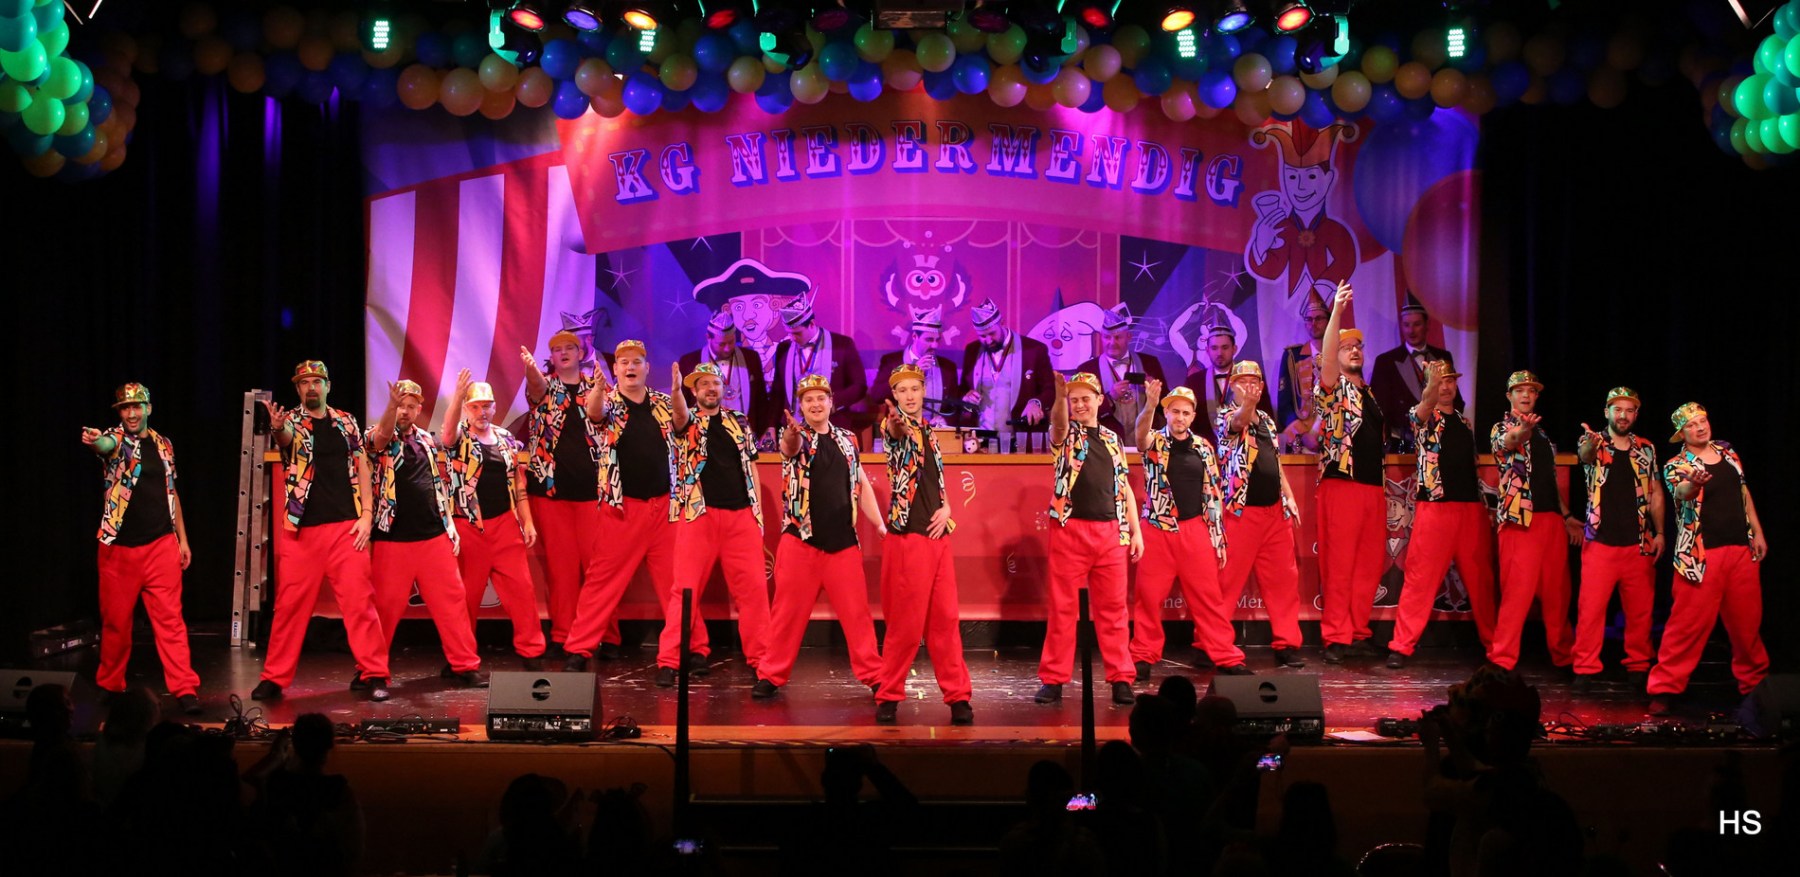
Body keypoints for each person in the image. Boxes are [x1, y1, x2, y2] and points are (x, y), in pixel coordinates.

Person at [254, 361, 391, 702]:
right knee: (289, 607)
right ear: (298, 389)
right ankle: (274, 678)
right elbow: (286, 440)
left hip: (346, 528)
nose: (311, 387)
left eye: (317, 381)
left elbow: (363, 466)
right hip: (303, 531)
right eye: (304, 383)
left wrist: (367, 515)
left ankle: (374, 673)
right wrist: (277, 428)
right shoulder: (291, 422)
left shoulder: (346, 421)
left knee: (360, 604)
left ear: (328, 385)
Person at [562, 341, 696, 673]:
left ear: (647, 368)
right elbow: (594, 414)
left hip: (665, 508)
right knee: (601, 581)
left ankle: (693, 647)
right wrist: (597, 388)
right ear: (616, 370)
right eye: (624, 362)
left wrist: (677, 392)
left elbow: (683, 423)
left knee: (678, 582)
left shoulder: (664, 403)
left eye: (636, 362)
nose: (630, 367)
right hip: (622, 510)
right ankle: (580, 648)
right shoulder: (608, 403)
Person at [756, 375, 886, 699]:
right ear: (800, 406)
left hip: (843, 544)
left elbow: (860, 484)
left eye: (820, 398)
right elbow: (790, 447)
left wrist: (880, 525)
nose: (815, 404)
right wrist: (790, 433)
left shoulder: (847, 439)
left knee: (858, 616)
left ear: (831, 402)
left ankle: (874, 676)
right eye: (808, 399)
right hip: (801, 543)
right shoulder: (796, 436)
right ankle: (771, 675)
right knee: (786, 616)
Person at [80, 383, 202, 715]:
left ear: (148, 408)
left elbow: (172, 493)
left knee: (171, 622)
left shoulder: (164, 445)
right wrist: (96, 440)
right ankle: (110, 684)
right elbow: (104, 445)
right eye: (125, 408)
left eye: (136, 407)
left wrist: (182, 539)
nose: (131, 413)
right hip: (119, 550)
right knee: (116, 623)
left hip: (161, 545)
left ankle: (185, 688)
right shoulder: (116, 440)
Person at [655, 361, 772, 687]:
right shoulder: (687, 420)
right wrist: (676, 391)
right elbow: (679, 416)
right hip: (699, 514)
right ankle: (669, 660)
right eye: (703, 384)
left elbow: (751, 469)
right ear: (694, 391)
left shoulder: (739, 421)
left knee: (754, 592)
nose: (710, 388)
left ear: (723, 388)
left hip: (741, 516)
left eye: (715, 383)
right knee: (685, 590)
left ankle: (763, 661)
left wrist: (758, 515)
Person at [1648, 403, 1770, 715]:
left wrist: (1757, 532)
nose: (1700, 427)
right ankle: (1664, 688)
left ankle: (1755, 686)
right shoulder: (1677, 464)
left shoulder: (1728, 452)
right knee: (1686, 626)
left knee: (1747, 625)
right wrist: (1695, 483)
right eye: (1691, 425)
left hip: (1740, 550)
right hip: (1699, 556)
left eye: (1702, 421)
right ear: (1682, 434)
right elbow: (1682, 493)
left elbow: (1744, 493)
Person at [364, 379, 486, 688]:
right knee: (384, 608)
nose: (404, 411)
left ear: (419, 409)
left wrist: (449, 524)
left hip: (433, 536)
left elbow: (437, 484)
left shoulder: (427, 441)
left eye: (410, 406)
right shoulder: (376, 436)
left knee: (452, 603)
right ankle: (372, 673)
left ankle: (463, 665)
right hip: (393, 538)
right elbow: (381, 437)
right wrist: (391, 408)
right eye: (400, 406)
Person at [1038, 371, 1146, 706]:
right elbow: (1058, 423)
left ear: (1100, 400)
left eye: (1086, 398)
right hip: (1070, 530)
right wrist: (1060, 398)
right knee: (1063, 609)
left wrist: (1135, 530)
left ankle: (1121, 678)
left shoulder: (1113, 439)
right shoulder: (1066, 434)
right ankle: (1054, 679)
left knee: (1114, 610)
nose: (1080, 405)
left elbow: (1123, 487)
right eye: (1075, 400)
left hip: (1110, 533)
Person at [874, 364, 973, 725]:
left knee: (945, 621)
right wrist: (895, 422)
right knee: (906, 624)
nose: (910, 396)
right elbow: (896, 432)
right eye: (903, 391)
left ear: (923, 390)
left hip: (937, 537)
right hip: (910, 536)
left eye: (915, 389)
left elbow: (934, 480)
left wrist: (947, 507)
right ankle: (888, 695)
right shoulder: (893, 426)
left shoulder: (930, 431)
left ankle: (958, 696)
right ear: (895, 396)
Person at [1129, 381, 1248, 679]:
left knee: (1209, 598)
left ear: (1193, 416)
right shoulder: (1155, 441)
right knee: (1148, 598)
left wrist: (1218, 536)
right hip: (1157, 529)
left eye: (1185, 413)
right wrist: (1150, 405)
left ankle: (1225, 654)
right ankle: (1143, 655)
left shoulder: (1204, 447)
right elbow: (1140, 436)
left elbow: (1213, 494)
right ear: (1166, 413)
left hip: (1195, 530)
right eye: (1174, 411)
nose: (1180, 417)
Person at [1386, 363, 1495, 669]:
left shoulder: (1464, 422)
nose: (1445, 387)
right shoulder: (1423, 416)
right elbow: (1422, 408)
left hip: (1469, 510)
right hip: (1435, 509)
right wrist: (1430, 387)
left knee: (1482, 582)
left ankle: (1496, 647)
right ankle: (1401, 646)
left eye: (1449, 381)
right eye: (1439, 382)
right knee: (1420, 580)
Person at [439, 371, 547, 672]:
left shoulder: (506, 439)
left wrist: (527, 521)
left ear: (495, 407)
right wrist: (458, 396)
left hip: (504, 526)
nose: (481, 412)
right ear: (466, 409)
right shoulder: (459, 436)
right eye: (475, 406)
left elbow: (518, 484)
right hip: (470, 527)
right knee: (465, 597)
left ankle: (532, 652)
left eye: (486, 406)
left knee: (522, 592)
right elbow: (446, 436)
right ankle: (459, 660)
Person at [517, 328, 614, 659]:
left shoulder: (597, 387)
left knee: (598, 568)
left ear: (581, 352)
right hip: (551, 494)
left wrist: (600, 388)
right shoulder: (545, 387)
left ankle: (606, 634)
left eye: (569, 347)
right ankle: (562, 634)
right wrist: (531, 368)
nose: (564, 352)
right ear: (552, 357)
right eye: (557, 349)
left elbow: (605, 417)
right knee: (562, 570)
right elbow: (535, 386)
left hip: (594, 493)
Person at [1313, 282, 1388, 664]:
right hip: (1342, 484)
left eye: (1358, 346)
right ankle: (1336, 636)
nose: (1354, 350)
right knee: (1340, 564)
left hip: (1373, 488)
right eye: (1347, 347)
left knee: (1369, 565)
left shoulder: (1369, 393)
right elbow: (1327, 358)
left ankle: (1358, 630)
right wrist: (1338, 313)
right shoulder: (1332, 388)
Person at [1571, 388, 1665, 692]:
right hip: (1600, 541)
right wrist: (1590, 443)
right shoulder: (1592, 441)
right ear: (1607, 413)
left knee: (1640, 611)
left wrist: (1660, 532)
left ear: (1635, 415)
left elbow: (1656, 493)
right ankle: (1585, 668)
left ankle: (1638, 665)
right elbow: (1585, 456)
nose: (1623, 415)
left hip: (1638, 542)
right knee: (1591, 611)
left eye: (1629, 410)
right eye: (1617, 410)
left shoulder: (1646, 448)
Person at [1214, 361, 1307, 669]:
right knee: (1226, 582)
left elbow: (1275, 461)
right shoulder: (1226, 415)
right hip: (1241, 513)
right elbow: (1238, 422)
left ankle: (1287, 643)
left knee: (1284, 581)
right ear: (1232, 387)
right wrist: (1247, 405)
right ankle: (1210, 643)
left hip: (1274, 513)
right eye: (1242, 382)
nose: (1249, 387)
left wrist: (1289, 496)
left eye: (1254, 382)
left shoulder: (1266, 419)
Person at [1489, 371, 1582, 673]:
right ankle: (1502, 661)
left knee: (1557, 593)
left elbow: (1549, 481)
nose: (1526, 395)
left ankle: (1563, 656)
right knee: (1517, 593)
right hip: (1520, 521)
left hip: (1550, 521)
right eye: (1520, 390)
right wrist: (1523, 430)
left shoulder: (1542, 435)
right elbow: (1511, 440)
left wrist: (1566, 516)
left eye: (1531, 390)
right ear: (1509, 396)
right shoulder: (1502, 428)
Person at [1370, 297, 1463, 448]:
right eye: (1406, 325)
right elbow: (1379, 409)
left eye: (1417, 324)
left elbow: (1456, 401)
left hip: (1442, 440)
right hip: (1402, 445)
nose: (1411, 330)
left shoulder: (1443, 357)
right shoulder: (1385, 361)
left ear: (1427, 325)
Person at [769, 291, 867, 432]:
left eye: (797, 333)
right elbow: (778, 392)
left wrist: (831, 402)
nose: (792, 338)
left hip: (832, 425)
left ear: (812, 324)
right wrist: (771, 426)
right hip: (794, 427)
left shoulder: (842, 345)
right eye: (789, 333)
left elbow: (859, 386)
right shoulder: (784, 348)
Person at [960, 297, 1054, 437]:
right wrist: (966, 397)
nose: (988, 340)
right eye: (982, 336)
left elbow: (1049, 390)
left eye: (992, 333)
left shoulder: (1034, 350)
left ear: (1002, 323)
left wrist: (1036, 403)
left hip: (1019, 438)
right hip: (980, 439)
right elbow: (962, 389)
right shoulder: (972, 351)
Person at [1075, 302, 1169, 440]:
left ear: (1129, 337)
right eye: (1107, 337)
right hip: (1104, 442)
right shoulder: (1087, 370)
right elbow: (1080, 412)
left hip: (1146, 441)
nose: (1112, 343)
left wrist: (1155, 392)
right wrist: (1109, 398)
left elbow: (1167, 407)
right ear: (1101, 338)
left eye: (1118, 337)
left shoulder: (1150, 363)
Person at [866, 305, 961, 426]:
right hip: (901, 431)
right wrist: (909, 373)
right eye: (929, 340)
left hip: (937, 433)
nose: (935, 345)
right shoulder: (891, 361)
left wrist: (946, 421)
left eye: (937, 340)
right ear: (915, 336)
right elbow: (877, 396)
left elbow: (954, 406)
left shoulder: (948, 367)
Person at [679, 309, 769, 434]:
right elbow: (683, 404)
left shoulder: (751, 358)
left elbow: (761, 400)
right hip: (707, 434)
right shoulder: (689, 362)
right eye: (721, 344)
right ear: (708, 338)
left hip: (744, 433)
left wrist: (765, 431)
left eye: (731, 342)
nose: (727, 348)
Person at [1182, 324, 1276, 441]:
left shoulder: (1253, 379)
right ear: (1207, 350)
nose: (1219, 353)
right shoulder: (1194, 382)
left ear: (1234, 349)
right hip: (1207, 449)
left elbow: (1266, 418)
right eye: (1214, 348)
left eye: (1225, 347)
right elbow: (1188, 423)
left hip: (1247, 448)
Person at [1277, 290, 1331, 428]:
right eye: (1309, 319)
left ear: (1329, 321)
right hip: (1302, 429)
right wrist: (1297, 428)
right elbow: (1284, 402)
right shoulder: (1292, 356)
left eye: (1319, 318)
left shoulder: (1339, 354)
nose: (1313, 323)